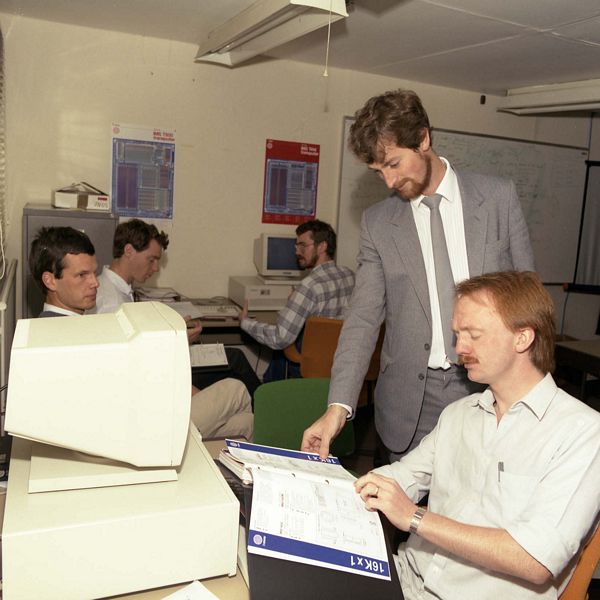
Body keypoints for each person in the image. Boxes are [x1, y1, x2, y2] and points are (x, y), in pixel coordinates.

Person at [302, 89, 535, 462]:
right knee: (405, 514)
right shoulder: (378, 223)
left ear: (423, 139)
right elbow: (362, 320)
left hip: (491, 393)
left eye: (394, 164)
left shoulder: (497, 199)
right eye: (378, 172)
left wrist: (530, 393)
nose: (389, 182)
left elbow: (530, 303)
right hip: (411, 405)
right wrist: (338, 407)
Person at [355, 270, 600, 600]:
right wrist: (320, 481)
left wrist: (414, 517)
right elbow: (400, 479)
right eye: (457, 334)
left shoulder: (582, 432)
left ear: (522, 338)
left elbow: (534, 559)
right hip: (406, 580)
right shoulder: (460, 414)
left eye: (473, 334)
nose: (459, 348)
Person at [29, 226, 253, 440]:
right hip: (137, 435)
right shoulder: (71, 337)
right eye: (82, 275)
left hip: (134, 421)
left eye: (94, 273)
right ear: (50, 280)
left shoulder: (60, 325)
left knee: (245, 423)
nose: (95, 283)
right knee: (236, 389)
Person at [90, 218, 261, 397]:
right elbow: (131, 363)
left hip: (155, 367)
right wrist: (179, 342)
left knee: (232, 357)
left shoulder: (117, 289)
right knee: (235, 360)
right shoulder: (111, 302)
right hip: (152, 378)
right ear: (129, 251)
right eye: (152, 260)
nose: (156, 268)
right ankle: (266, 412)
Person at [239, 219, 355, 380]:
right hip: (341, 362)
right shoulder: (350, 275)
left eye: (302, 245)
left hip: (311, 366)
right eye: (296, 246)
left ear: (322, 246)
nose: (297, 251)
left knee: (282, 349)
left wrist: (245, 322)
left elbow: (280, 338)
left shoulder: (308, 286)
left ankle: (267, 395)